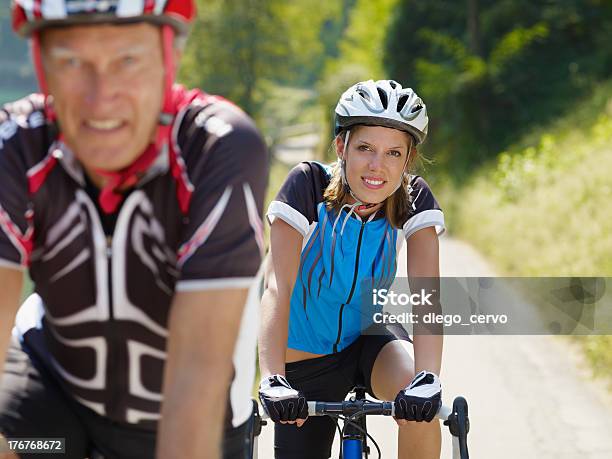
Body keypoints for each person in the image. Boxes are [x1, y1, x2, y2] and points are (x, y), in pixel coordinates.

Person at [0, 1, 268, 458]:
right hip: (53, 413)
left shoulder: (215, 148)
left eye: (128, 60)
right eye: (71, 61)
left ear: (170, 58)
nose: (101, 96)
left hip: (187, 416)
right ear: (41, 66)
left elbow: (196, 384)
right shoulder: (17, 144)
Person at [258, 79, 445, 458]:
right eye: (365, 148)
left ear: (407, 160)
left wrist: (427, 379)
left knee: (420, 405)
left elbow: (427, 295)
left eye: (394, 153)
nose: (378, 166)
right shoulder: (307, 184)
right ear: (341, 147)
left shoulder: (413, 196)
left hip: (371, 340)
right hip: (304, 357)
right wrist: (273, 378)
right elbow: (278, 287)